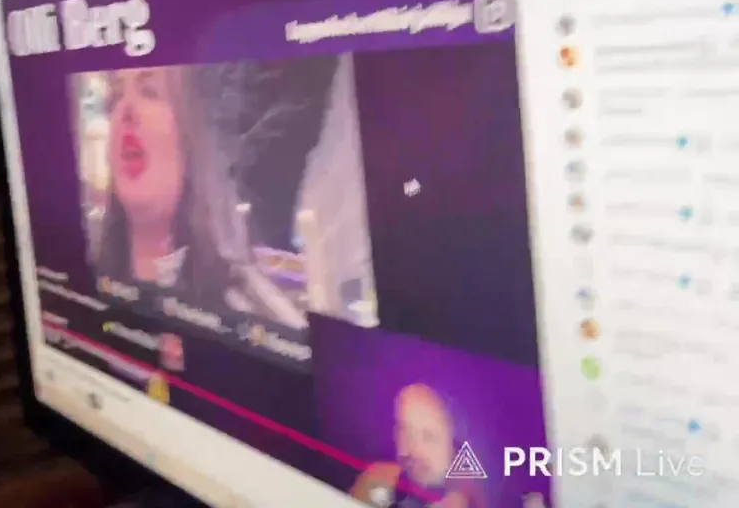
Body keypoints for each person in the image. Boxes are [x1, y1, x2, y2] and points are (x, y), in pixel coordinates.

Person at [91, 66, 303, 326]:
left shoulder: (257, 314)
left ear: (193, 138)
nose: (126, 110)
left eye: (150, 92)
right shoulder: (85, 282)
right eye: (116, 96)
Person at [350, 384, 487, 508]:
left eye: (429, 436)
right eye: (404, 430)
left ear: (456, 445)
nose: (413, 449)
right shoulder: (375, 480)